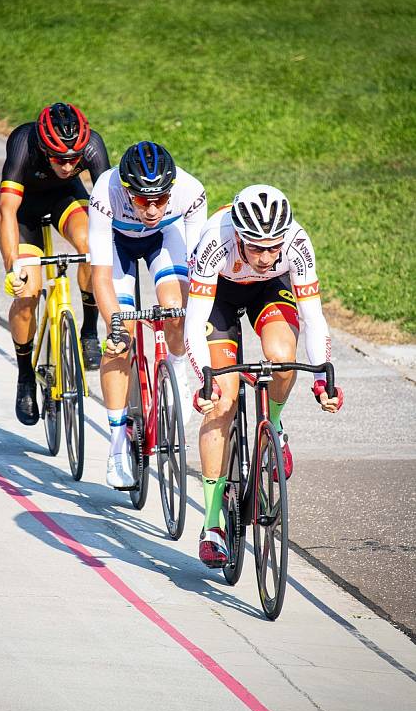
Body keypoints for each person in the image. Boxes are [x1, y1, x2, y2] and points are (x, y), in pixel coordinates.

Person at [184, 184, 344, 568]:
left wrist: (323, 377)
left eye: (274, 247)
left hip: (269, 293)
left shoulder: (297, 244)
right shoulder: (215, 241)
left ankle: (274, 427)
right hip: (218, 297)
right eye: (256, 247)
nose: (267, 256)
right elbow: (193, 326)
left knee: (282, 358)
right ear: (239, 235)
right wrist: (203, 377)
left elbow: (313, 318)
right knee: (222, 399)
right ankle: (211, 525)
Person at [89, 140, 207, 488]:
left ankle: (178, 372)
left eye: (160, 199)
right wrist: (114, 328)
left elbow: (200, 267)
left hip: (162, 241)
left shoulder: (191, 191)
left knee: (176, 308)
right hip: (117, 244)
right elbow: (99, 276)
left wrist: (194, 318)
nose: (153, 208)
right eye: (142, 200)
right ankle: (117, 447)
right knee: (119, 339)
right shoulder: (105, 191)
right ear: (127, 191)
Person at [0, 102, 110, 426]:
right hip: (24, 213)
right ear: (44, 149)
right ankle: (25, 377)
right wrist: (12, 267)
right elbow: (6, 211)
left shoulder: (92, 146)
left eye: (74, 159)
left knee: (93, 245)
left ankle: (89, 329)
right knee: (27, 293)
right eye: (60, 159)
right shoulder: (23, 143)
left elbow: (107, 207)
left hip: (64, 199)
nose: (68, 164)